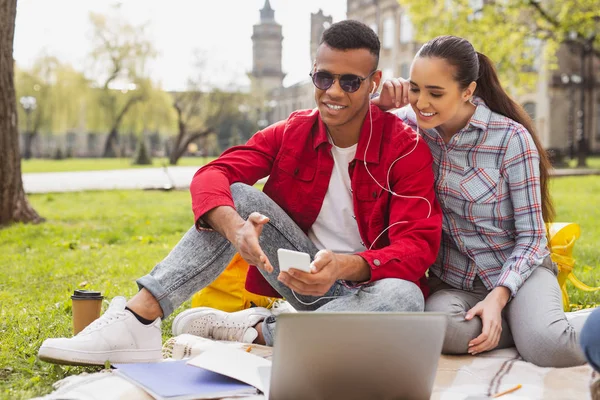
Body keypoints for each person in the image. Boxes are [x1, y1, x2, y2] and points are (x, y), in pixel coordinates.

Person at [38, 20, 442, 366]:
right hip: (296, 276)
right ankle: (139, 319)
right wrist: (234, 227)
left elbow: (418, 246)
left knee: (405, 298)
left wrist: (345, 265)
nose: (333, 92)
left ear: (373, 83)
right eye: (323, 78)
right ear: (313, 74)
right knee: (234, 195)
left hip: (368, 287)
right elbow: (214, 173)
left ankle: (258, 330)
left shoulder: (403, 146)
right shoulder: (293, 131)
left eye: (350, 82)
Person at [373, 35, 589, 368]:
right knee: (440, 331)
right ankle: (520, 325)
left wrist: (499, 296)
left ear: (468, 91)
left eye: (436, 92)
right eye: (415, 89)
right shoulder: (409, 128)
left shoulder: (510, 139)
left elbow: (532, 239)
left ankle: (545, 326)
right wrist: (379, 104)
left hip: (518, 273)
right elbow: (353, 132)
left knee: (549, 348)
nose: (421, 102)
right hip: (454, 281)